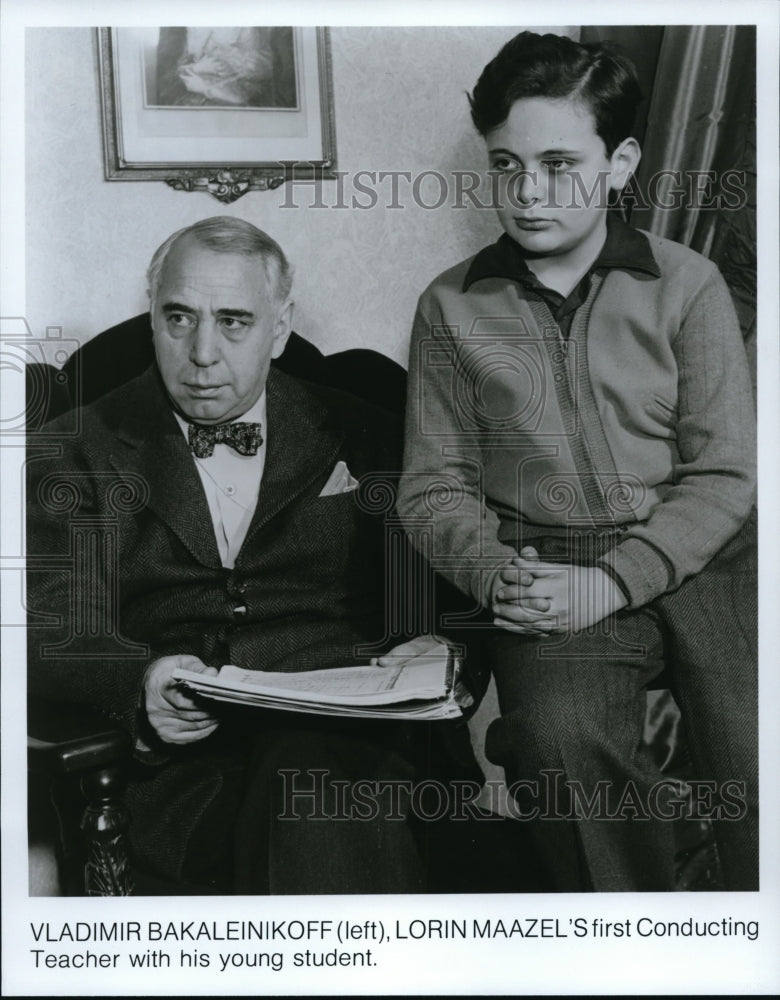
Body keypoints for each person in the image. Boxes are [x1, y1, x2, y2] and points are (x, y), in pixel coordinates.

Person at [397, 31, 757, 891]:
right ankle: (622, 947)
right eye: (505, 165)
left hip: (705, 557)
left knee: (754, 745)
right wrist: (492, 574)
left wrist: (619, 579)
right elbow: (431, 485)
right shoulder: (450, 305)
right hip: (545, 565)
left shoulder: (687, 283)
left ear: (620, 161)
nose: (527, 193)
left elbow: (725, 474)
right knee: (560, 744)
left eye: (559, 164)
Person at [26, 216, 480, 894]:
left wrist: (440, 644)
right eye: (178, 318)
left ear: (281, 326)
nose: (202, 351)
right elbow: (52, 625)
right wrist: (139, 684)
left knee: (321, 781)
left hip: (362, 753)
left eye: (234, 321)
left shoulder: (369, 431)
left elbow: (451, 590)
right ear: (152, 318)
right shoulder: (73, 450)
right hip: (183, 778)